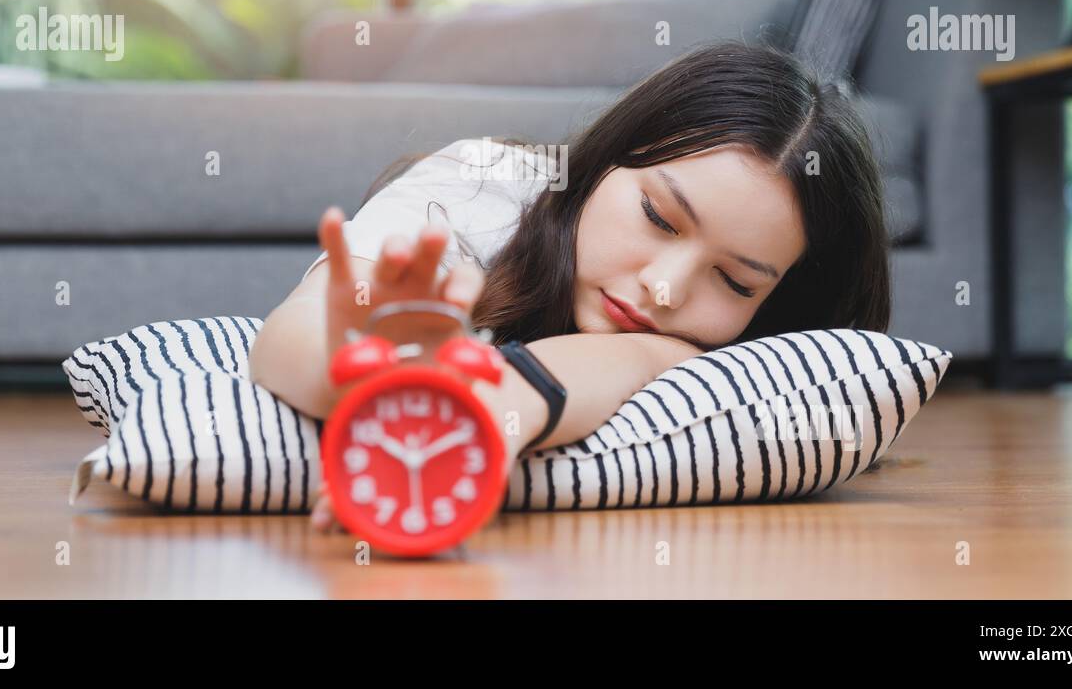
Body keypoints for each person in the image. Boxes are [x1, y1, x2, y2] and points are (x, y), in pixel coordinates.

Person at [248, 40, 892, 531]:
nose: (664, 290)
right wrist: (376, 375)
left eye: (734, 281)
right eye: (658, 217)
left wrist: (497, 403)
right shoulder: (476, 194)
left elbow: (647, 355)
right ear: (608, 155)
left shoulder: (746, 349)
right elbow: (292, 337)